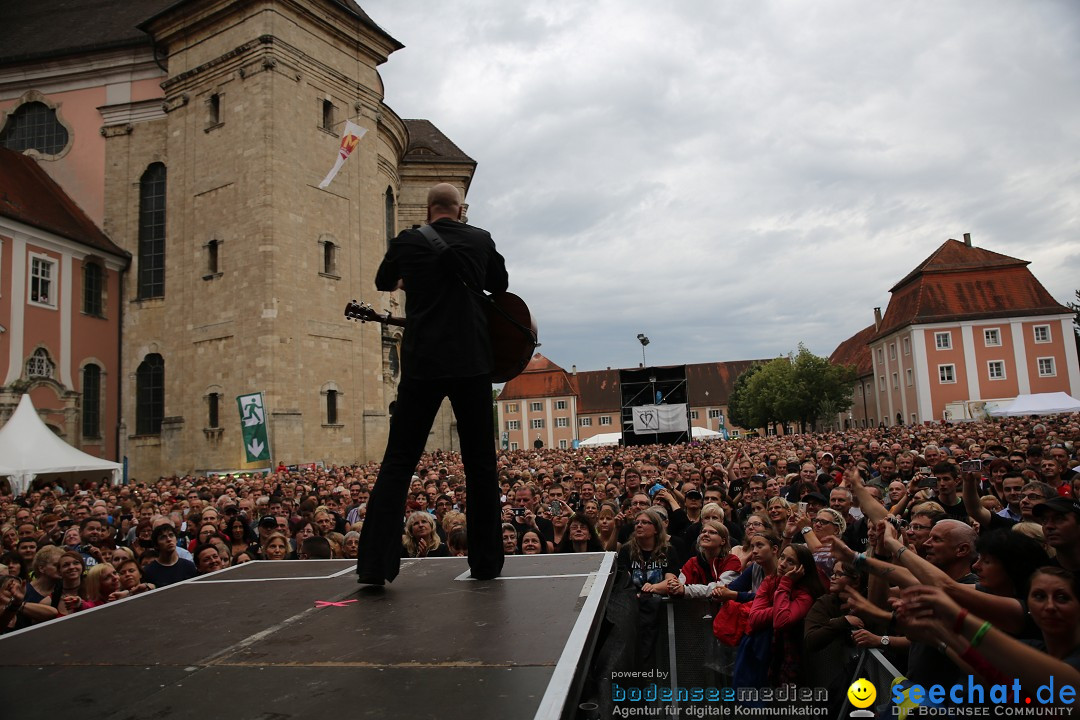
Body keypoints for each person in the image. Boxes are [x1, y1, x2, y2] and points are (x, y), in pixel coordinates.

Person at [358, 183, 509, 585]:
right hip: (472, 361)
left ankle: (374, 566)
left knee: (398, 462)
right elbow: (500, 284)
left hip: (423, 363)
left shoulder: (408, 241)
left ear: (428, 212)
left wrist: (413, 280)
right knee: (480, 464)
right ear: (460, 210)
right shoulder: (479, 239)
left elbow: (383, 281)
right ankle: (486, 563)